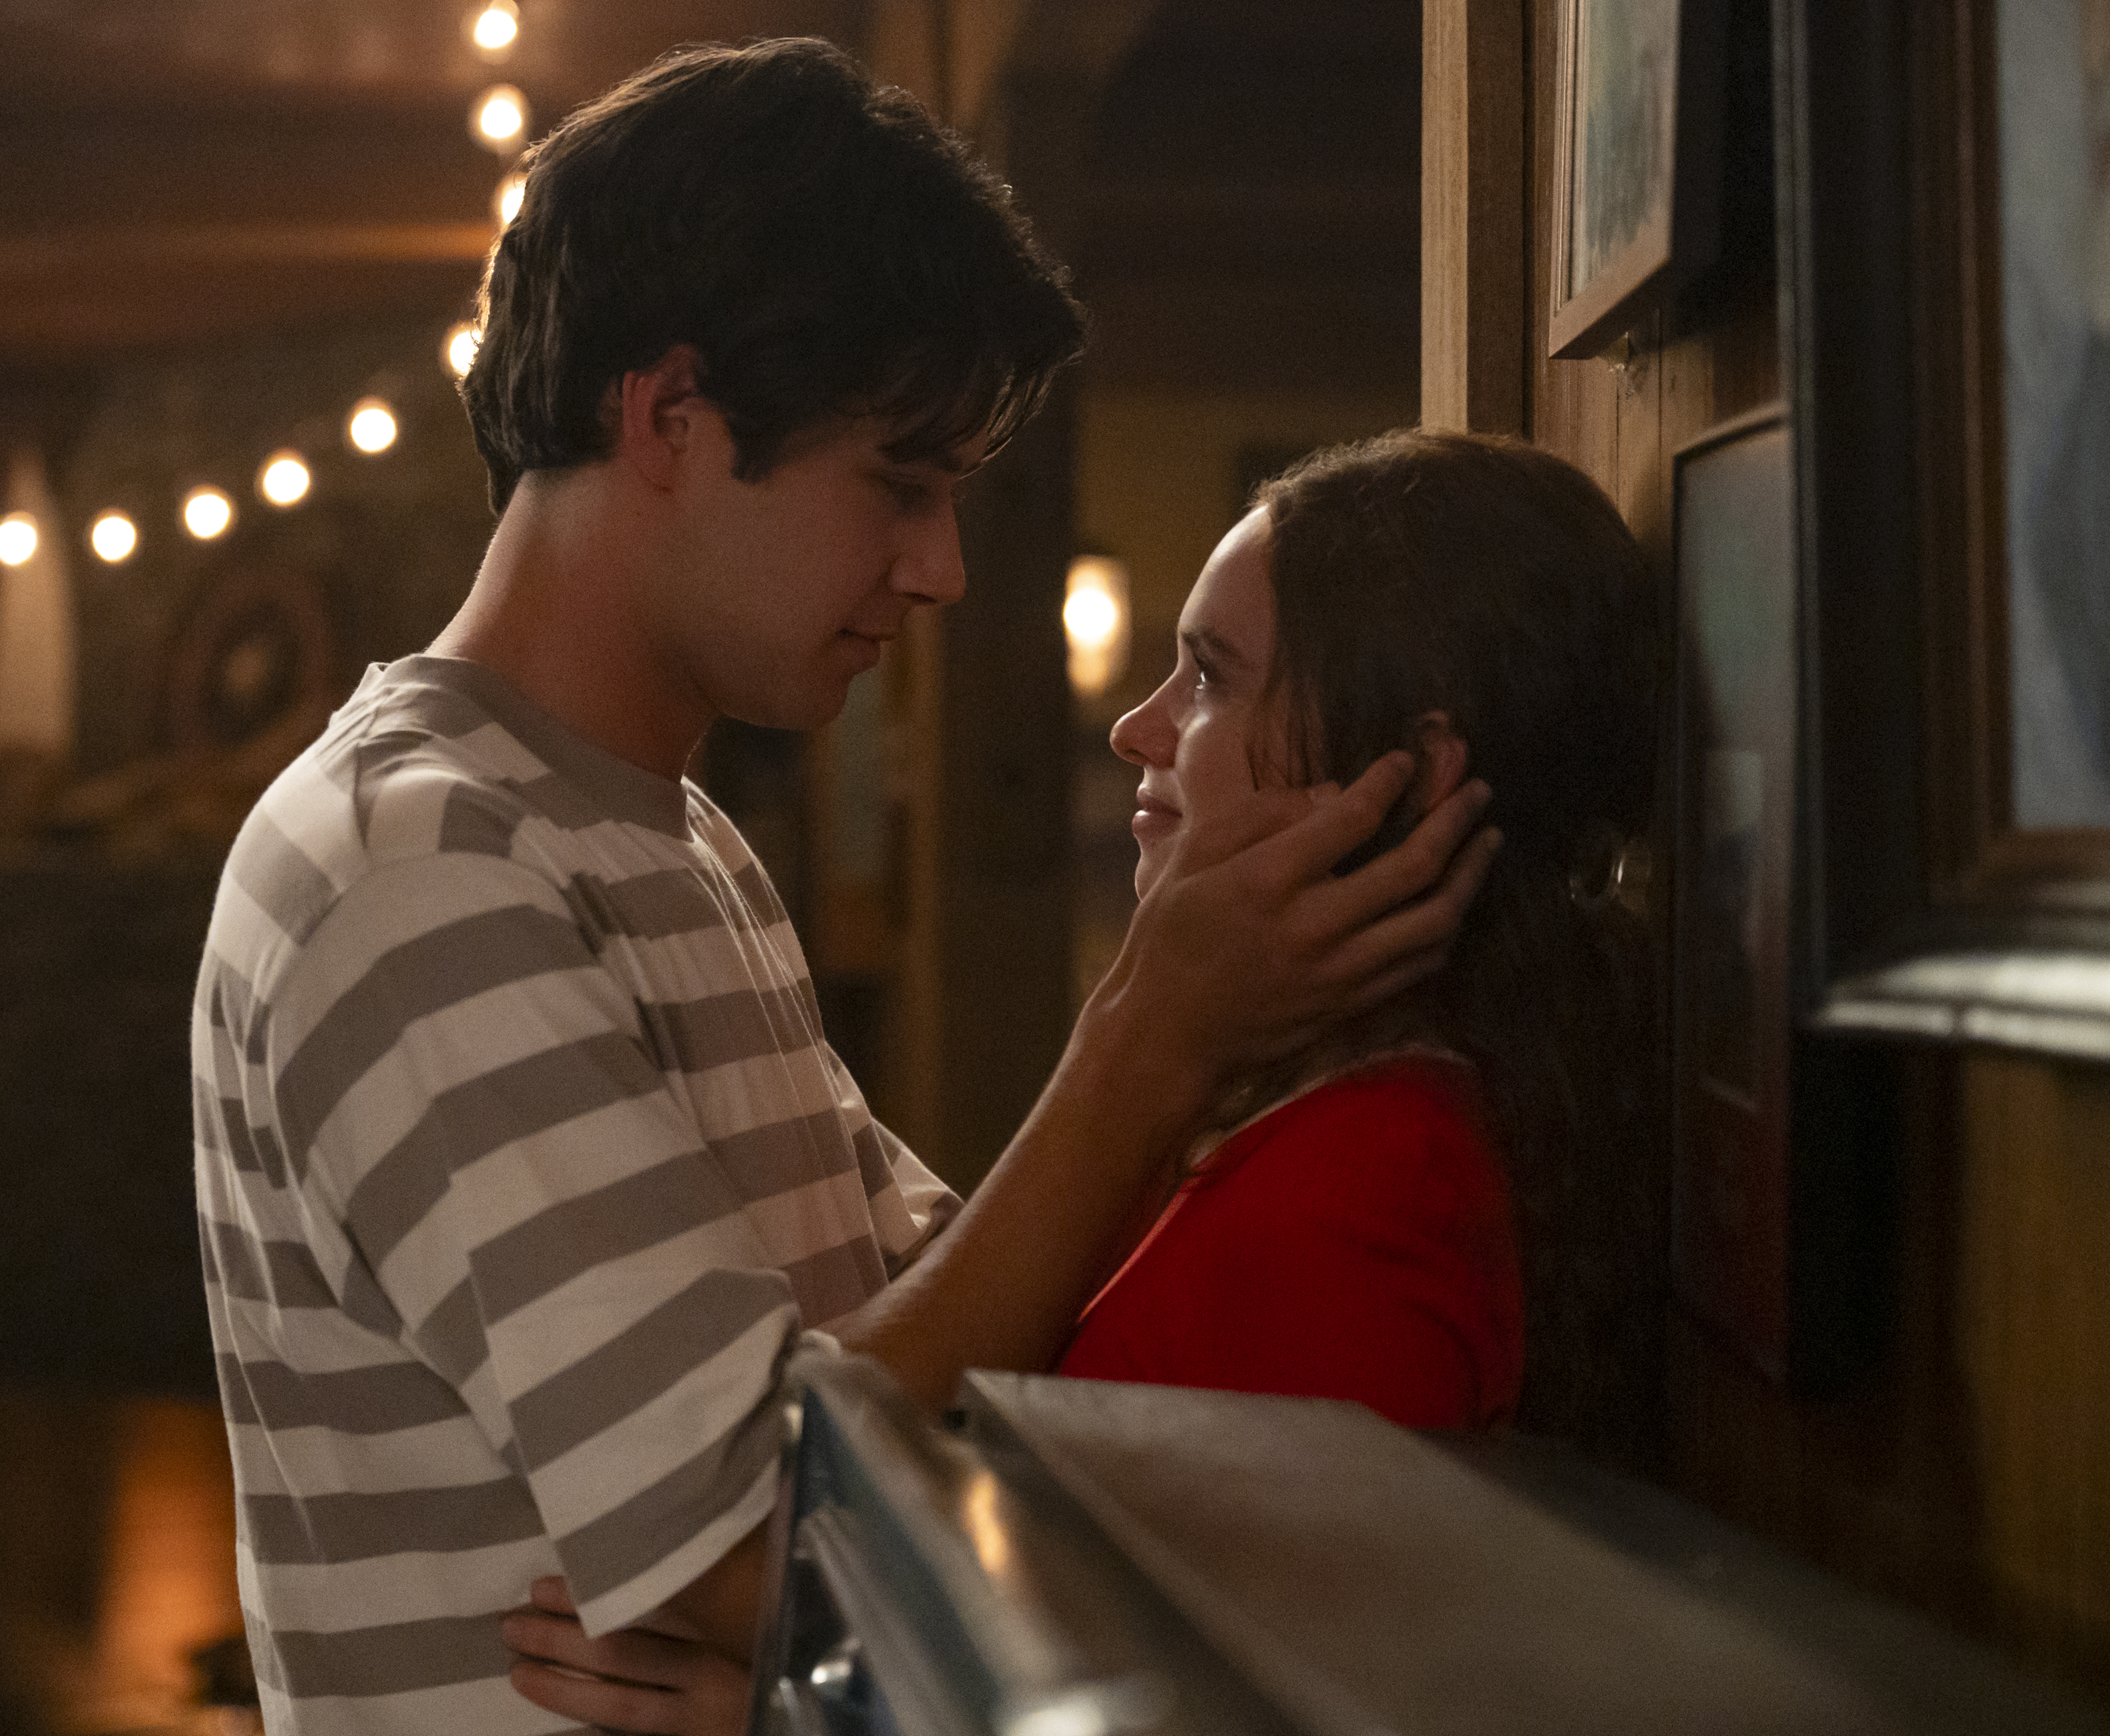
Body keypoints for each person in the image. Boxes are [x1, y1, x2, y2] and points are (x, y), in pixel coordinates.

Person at [192, 41, 1496, 1736]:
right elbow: (756, 1533)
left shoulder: (670, 837)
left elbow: (953, 1348)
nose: (943, 567)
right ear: (665, 415)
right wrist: (1149, 1033)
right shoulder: (416, 862)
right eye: (900, 481)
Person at [1056, 429, 1659, 1434]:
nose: (1137, 729)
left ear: (1415, 772)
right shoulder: (1324, 1105)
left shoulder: (1370, 1186)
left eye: (1208, 678)